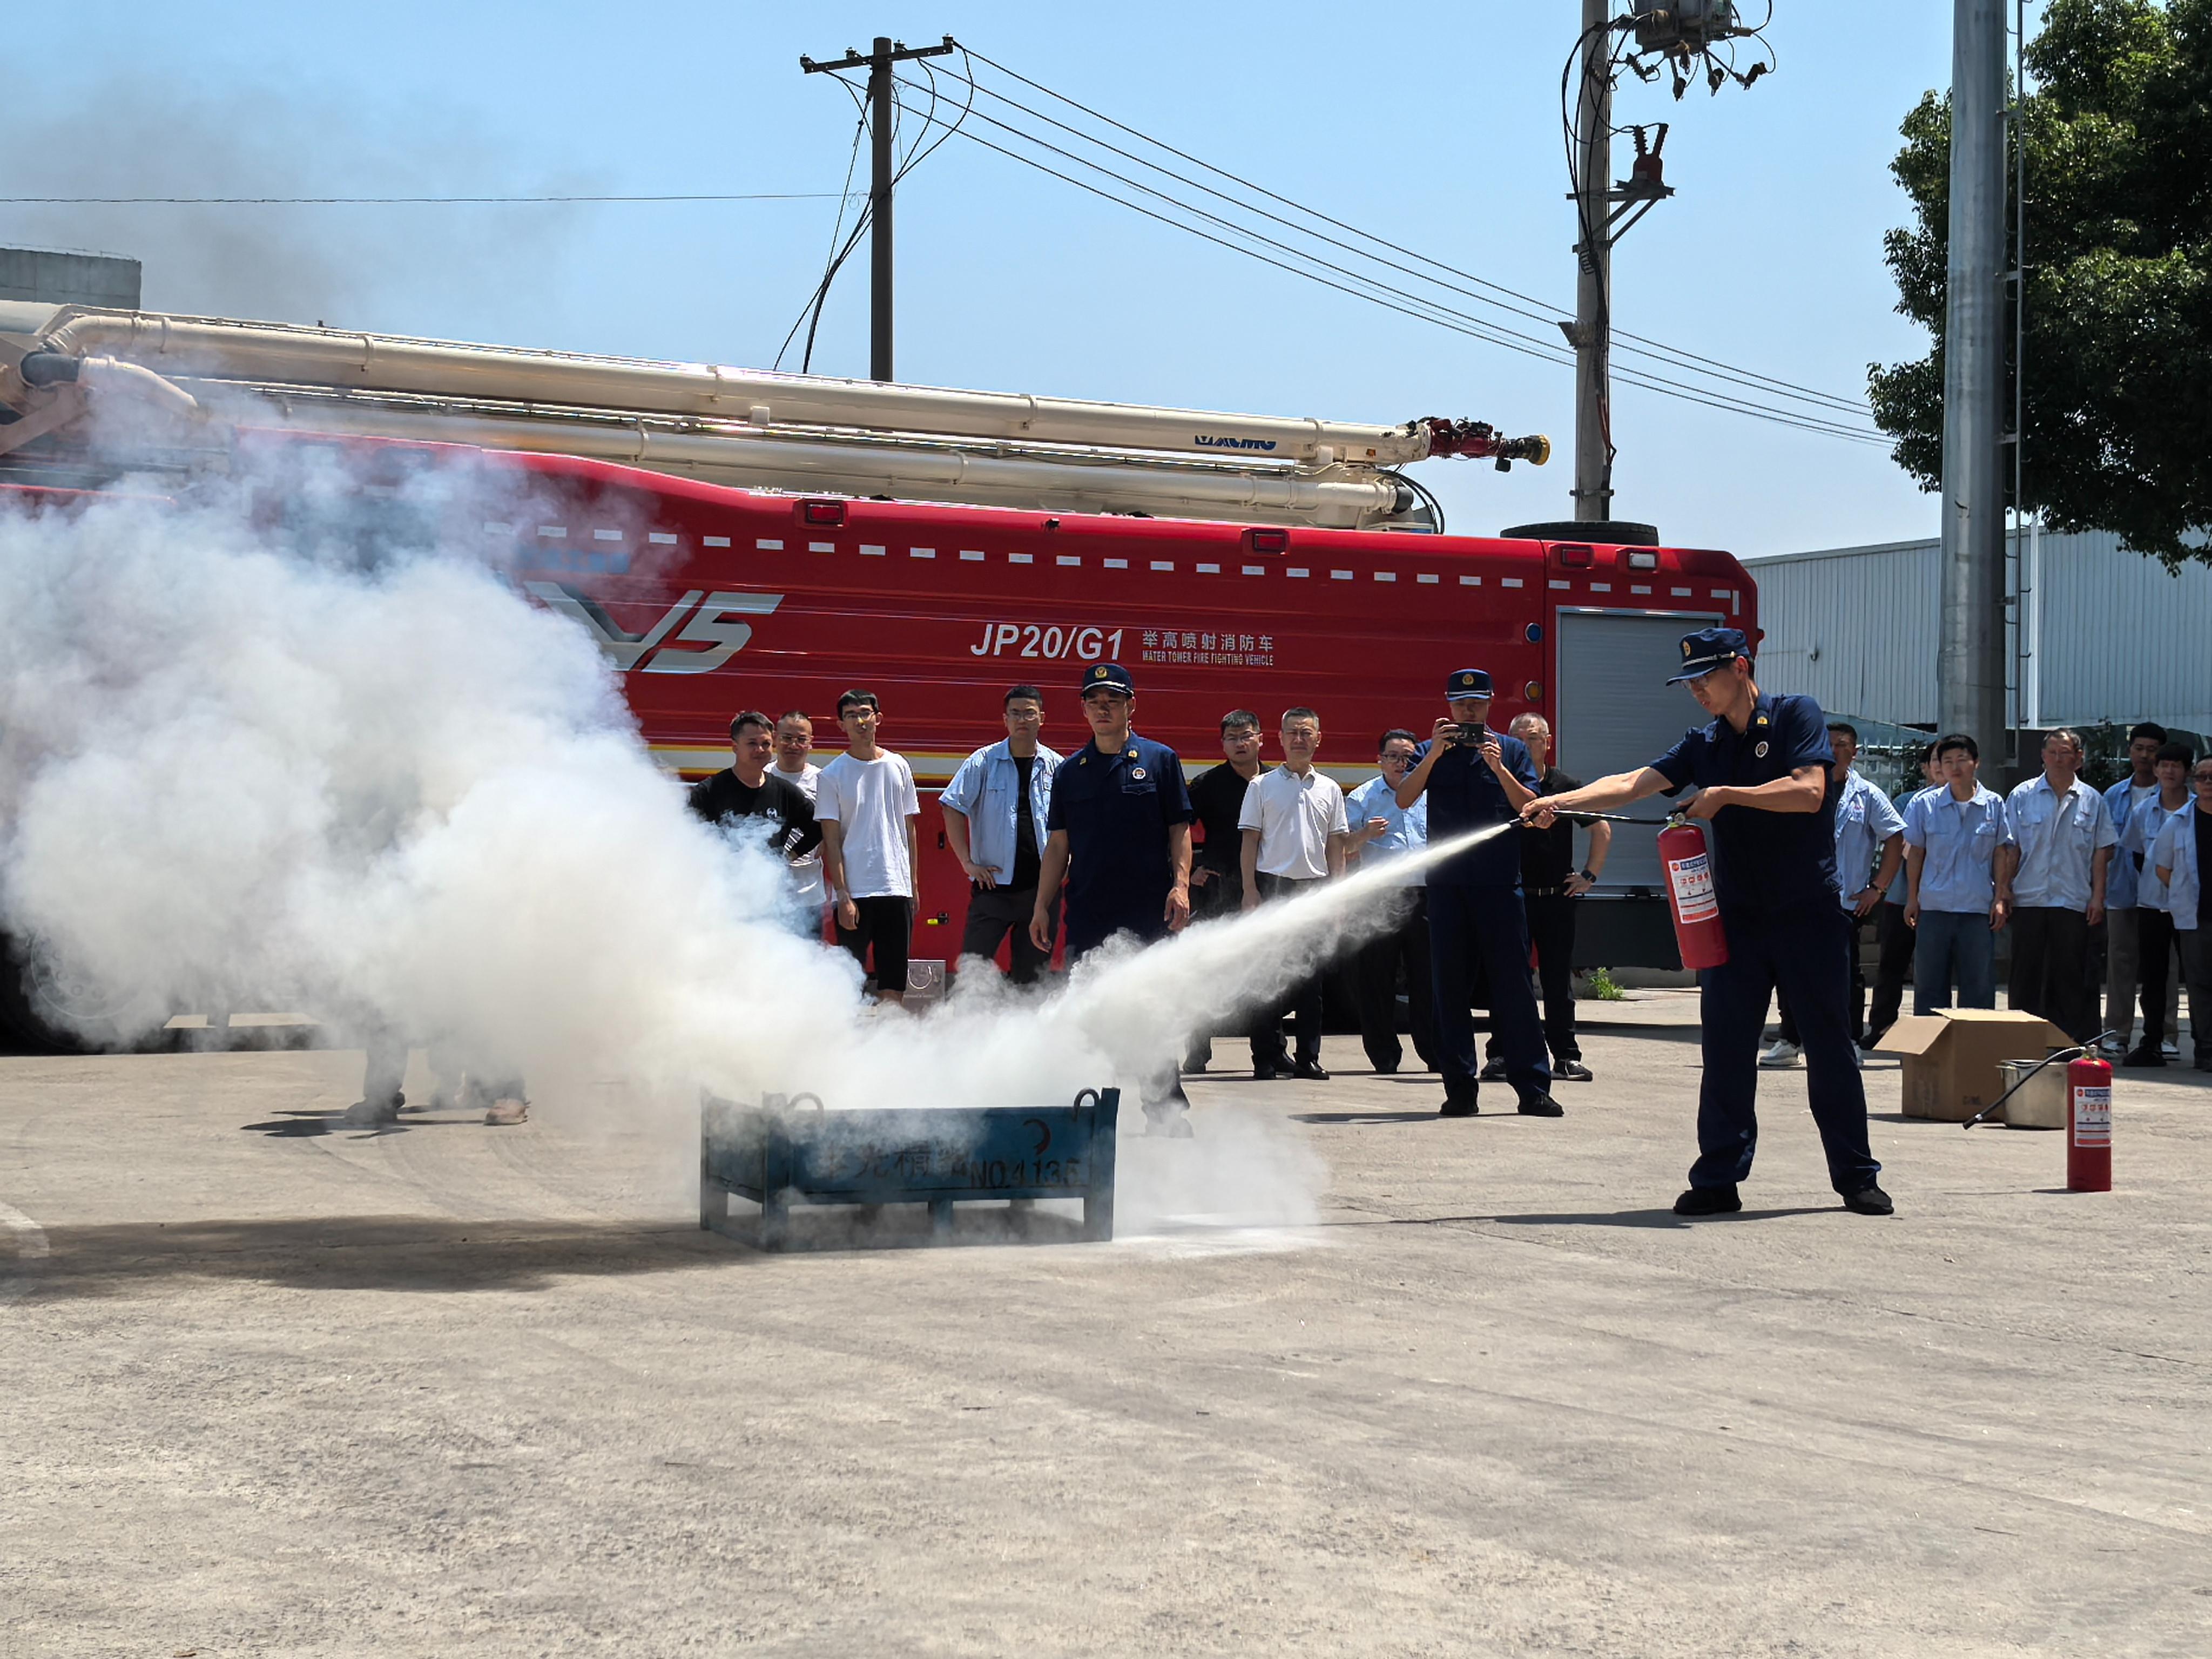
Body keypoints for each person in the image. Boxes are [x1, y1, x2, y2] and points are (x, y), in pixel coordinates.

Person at [1525, 627, 1890, 1217]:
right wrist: (1557, 804)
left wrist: (1724, 795)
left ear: (1741, 667)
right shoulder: (1704, 742)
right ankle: (1718, 1178)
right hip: (1738, 919)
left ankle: (1856, 1177)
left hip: (1807, 915)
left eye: (1706, 678)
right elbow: (1630, 784)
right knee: (1724, 1050)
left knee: (1829, 1048)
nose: (1697, 690)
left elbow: (1808, 791)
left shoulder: (1795, 715)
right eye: (1689, 682)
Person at [1028, 663, 1197, 1132]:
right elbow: (1058, 846)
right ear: (1083, 709)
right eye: (1095, 701)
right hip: (1087, 915)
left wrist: (1180, 886)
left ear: (1131, 706)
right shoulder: (1069, 773)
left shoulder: (1161, 760)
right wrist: (1042, 906)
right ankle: (1090, 1123)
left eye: (1113, 701)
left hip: (1149, 913)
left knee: (1154, 1017)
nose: (1103, 709)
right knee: (1090, 1019)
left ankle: (1166, 1116)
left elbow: (1179, 830)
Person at [1395, 669, 1562, 1120]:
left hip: (1500, 887)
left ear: (1490, 705)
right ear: (1448, 706)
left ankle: (1532, 1088)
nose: (1468, 712)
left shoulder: (1509, 749)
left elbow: (1529, 805)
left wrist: (1499, 768)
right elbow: (1404, 800)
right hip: (1448, 888)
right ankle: (1460, 1090)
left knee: (1515, 988)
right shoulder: (1431, 750)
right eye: (1460, 705)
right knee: (1449, 990)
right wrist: (1430, 757)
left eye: (1476, 704)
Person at [1764, 722, 1902, 1064]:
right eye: (1827, 744)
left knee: (1845, 974)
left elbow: (1896, 838)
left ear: (1854, 753)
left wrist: (1877, 888)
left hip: (1845, 901)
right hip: (1797, 895)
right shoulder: (1800, 789)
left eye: (1841, 745)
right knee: (1792, 970)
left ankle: (1850, 1040)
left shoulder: (1867, 794)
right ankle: (1790, 1040)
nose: (1833, 750)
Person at [1482, 712, 1608, 1083]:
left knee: (1557, 982)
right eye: (1518, 738)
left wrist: (1588, 875)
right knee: (1507, 978)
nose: (1527, 744)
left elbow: (1601, 828)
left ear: (1548, 742)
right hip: (1512, 897)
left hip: (1556, 897)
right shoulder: (1498, 784)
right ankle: (1501, 1054)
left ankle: (1566, 1057)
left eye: (1534, 737)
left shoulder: (1565, 787)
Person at [1238, 706, 1350, 1081]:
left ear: (1319, 739)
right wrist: (1250, 891)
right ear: (1280, 739)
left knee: (1311, 984)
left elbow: (1336, 846)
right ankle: (1266, 1058)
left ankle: (1308, 1057)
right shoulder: (1261, 786)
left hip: (1315, 891)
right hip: (1273, 889)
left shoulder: (1330, 789)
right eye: (1292, 733)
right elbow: (1250, 843)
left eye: (1306, 733)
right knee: (1268, 978)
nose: (1299, 739)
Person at [1997, 729, 2116, 1043]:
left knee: (2070, 976)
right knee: (2026, 975)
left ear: (2079, 759)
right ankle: (2024, 1040)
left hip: (2073, 900)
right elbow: (2011, 848)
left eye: (2066, 753)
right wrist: (2003, 890)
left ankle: (2069, 1042)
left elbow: (2101, 852)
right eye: (2053, 752)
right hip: (2029, 898)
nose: (2059, 759)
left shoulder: (2093, 799)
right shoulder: (2022, 795)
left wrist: (2098, 898)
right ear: (2043, 756)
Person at [940, 685, 1063, 986]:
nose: (1022, 720)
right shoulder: (983, 761)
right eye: (1015, 714)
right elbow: (952, 806)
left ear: (1042, 718)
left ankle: (1026, 1032)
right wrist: (968, 863)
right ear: (1005, 719)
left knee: (1033, 979)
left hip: (1041, 893)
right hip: (992, 890)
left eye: (1029, 714)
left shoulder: (1058, 767)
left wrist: (1066, 864)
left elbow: (1071, 823)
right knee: (973, 971)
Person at [817, 689, 921, 1006]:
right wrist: (843, 895)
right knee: (851, 979)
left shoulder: (899, 766)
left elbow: (910, 830)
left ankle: (890, 1044)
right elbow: (831, 840)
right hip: (857, 893)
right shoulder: (831, 775)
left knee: (893, 979)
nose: (860, 721)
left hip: (896, 888)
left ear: (878, 719)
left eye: (865, 713)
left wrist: (913, 885)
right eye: (851, 716)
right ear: (840, 725)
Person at [1344, 729, 1439, 1076]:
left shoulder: (1430, 792)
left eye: (1408, 758)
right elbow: (1342, 848)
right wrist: (1366, 834)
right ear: (1379, 760)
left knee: (1428, 979)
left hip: (1424, 896)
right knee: (1377, 980)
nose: (1401, 764)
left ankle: (1433, 1052)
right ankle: (1384, 1054)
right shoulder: (1362, 797)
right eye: (1394, 757)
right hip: (1378, 898)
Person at [1182, 711, 1268, 1072]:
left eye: (1246, 736)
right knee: (1205, 970)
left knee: (1265, 973)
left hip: (1265, 887)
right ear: (1223, 744)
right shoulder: (1207, 784)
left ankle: (1268, 1054)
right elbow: (1176, 829)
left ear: (1261, 739)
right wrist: (1192, 871)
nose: (1240, 743)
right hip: (1218, 888)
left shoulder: (1277, 782)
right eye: (1232, 738)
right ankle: (1198, 1051)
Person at [687, 710, 825, 931]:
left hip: (775, 904)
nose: (760, 750)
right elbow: (683, 837)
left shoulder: (784, 791)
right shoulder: (710, 791)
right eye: (752, 743)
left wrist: (788, 856)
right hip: (725, 905)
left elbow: (817, 826)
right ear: (735, 747)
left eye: (766, 743)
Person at [1903, 734, 2008, 1015]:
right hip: (1934, 907)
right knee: (1929, 987)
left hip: (1977, 909)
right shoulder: (1925, 805)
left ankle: (1974, 1053)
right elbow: (1916, 854)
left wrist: (2000, 897)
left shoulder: (1994, 804)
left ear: (1976, 763)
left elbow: (2001, 852)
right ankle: (1933, 1056)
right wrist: (1912, 898)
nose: (1955, 767)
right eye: (1947, 761)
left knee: (1979, 986)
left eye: (1962, 759)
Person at [2121, 741, 2194, 1066]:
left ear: (2187, 772)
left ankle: (2203, 1042)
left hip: (2193, 907)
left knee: (2198, 975)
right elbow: (2139, 857)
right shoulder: (2142, 812)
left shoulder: (2198, 810)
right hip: (2151, 904)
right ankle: (2152, 1040)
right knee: (2153, 977)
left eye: (2176, 766)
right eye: (2163, 765)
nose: (2168, 771)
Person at [1864, 741, 1939, 1048]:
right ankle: (1881, 1026)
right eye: (1935, 759)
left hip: (1939, 900)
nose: (1940, 766)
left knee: (1932, 970)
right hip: (1900, 897)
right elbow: (1900, 846)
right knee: (1891, 965)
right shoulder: (1907, 801)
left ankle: (1931, 1030)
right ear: (1924, 767)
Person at [2100, 723, 2169, 1056]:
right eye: (2139, 748)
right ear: (2130, 751)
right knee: (2120, 963)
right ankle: (2116, 1032)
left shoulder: (2177, 796)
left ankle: (2166, 1033)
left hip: (2164, 896)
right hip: (2121, 891)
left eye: (2152, 750)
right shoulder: (2113, 795)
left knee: (2164, 966)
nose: (2145, 755)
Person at [2149, 754, 2212, 1072]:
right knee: (2200, 986)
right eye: (2202, 778)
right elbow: (2162, 867)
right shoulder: (2179, 822)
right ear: (2194, 782)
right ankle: (2206, 1048)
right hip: (2195, 917)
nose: (2207, 784)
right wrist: (2184, 892)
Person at [772, 710, 832, 933]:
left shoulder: (824, 781)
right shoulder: (762, 776)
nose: (793, 745)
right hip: (766, 895)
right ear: (776, 738)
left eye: (801, 739)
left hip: (809, 895)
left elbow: (835, 829)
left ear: (811, 743)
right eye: (787, 738)